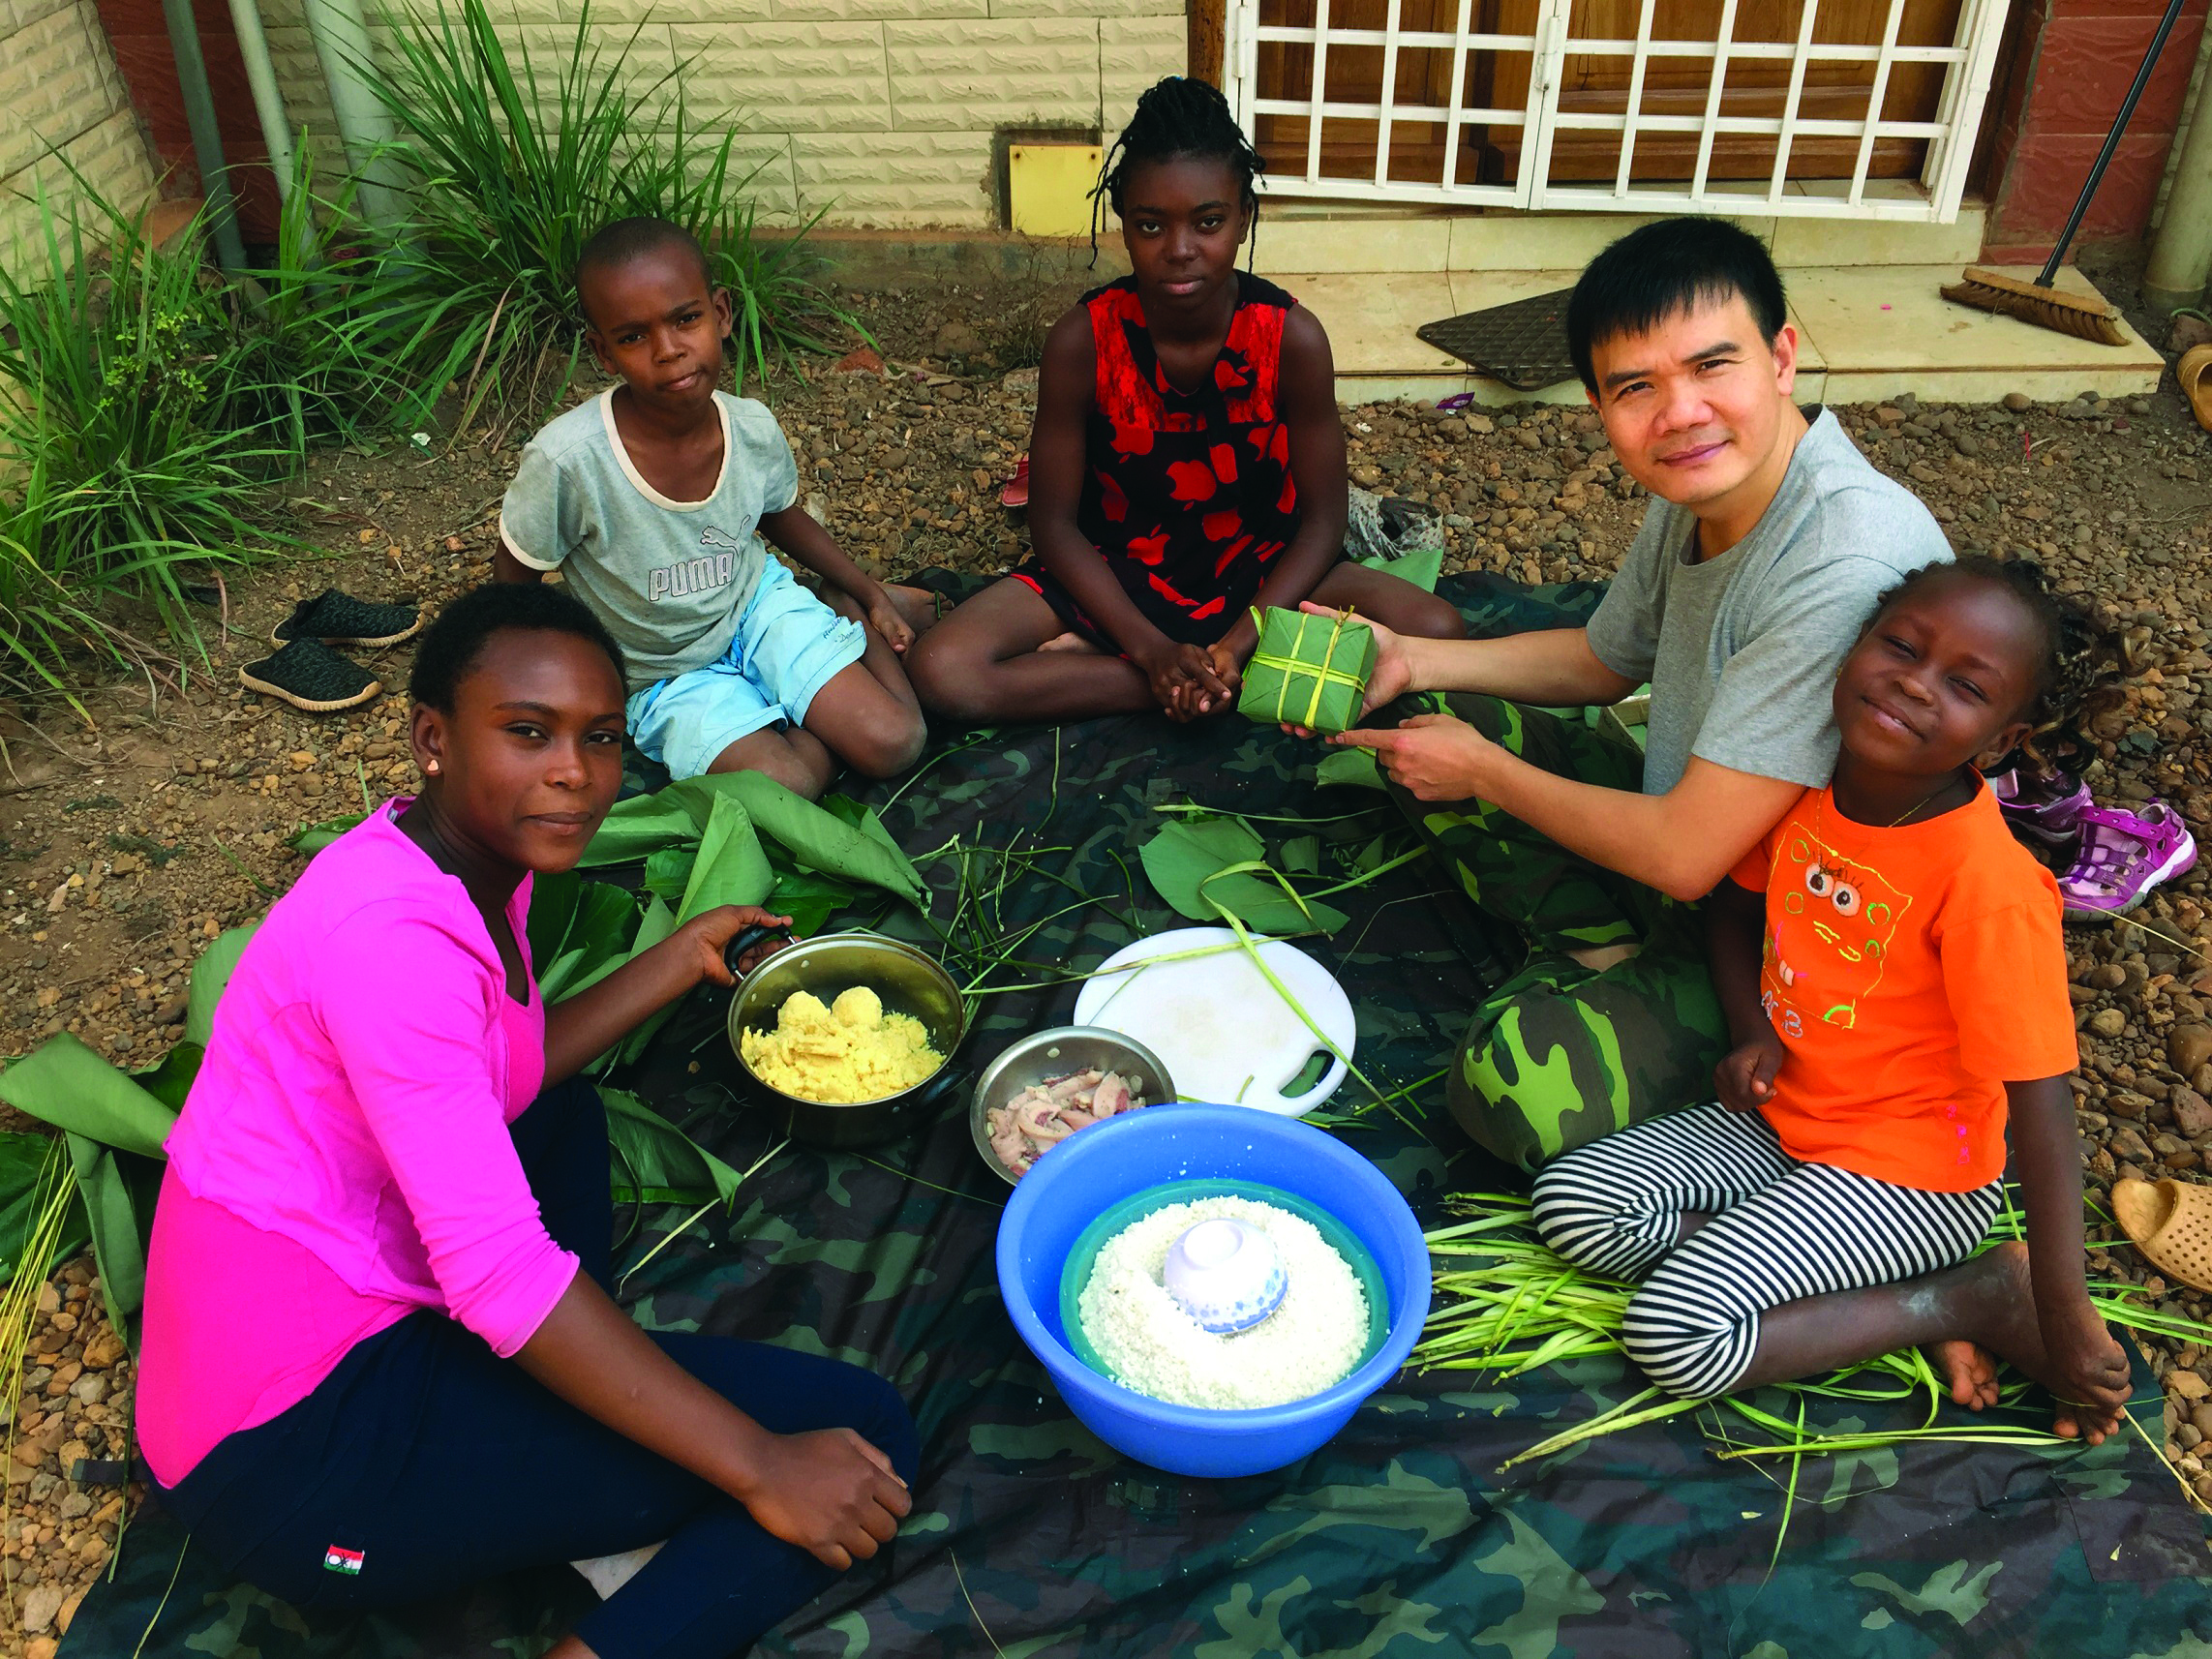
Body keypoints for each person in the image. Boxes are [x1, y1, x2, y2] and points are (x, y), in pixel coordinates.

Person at [136, 584, 919, 1659]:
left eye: (600, 738)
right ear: (431, 738)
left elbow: (500, 1071)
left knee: (561, 1113)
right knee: (853, 1440)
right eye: (527, 732)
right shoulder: (391, 944)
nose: (575, 773)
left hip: (301, 1320)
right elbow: (499, 1272)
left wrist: (682, 954)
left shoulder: (440, 854)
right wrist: (756, 1464)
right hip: (292, 1456)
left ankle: (564, 1419)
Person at [1319, 216, 1952, 1167]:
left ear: (1780, 357)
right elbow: (1604, 661)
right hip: (1689, 846)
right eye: (1636, 388)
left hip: (1792, 957)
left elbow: (1688, 858)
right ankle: (1610, 959)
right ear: (1597, 402)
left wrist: (1488, 773)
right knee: (1425, 718)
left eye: (1710, 368)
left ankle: (1667, 1024)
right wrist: (1413, 656)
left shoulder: (1841, 561)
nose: (1680, 413)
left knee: (1505, 1089)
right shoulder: (1702, 487)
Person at [1529, 557, 2132, 1442]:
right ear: (1852, 647)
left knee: (1673, 1335)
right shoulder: (1804, 788)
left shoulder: (1989, 887)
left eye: (1964, 686)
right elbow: (1731, 908)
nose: (1914, 685)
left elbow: (2041, 1106)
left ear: (1999, 740)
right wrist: (1750, 1030)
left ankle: (1969, 1296)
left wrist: (2062, 1309)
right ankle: (1852, 1281)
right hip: (1786, 1111)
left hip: (1911, 1173)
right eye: (1900, 646)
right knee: (1572, 1207)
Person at [907, 76, 1463, 726]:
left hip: (1260, 572)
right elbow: (1054, 525)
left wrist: (1239, 639)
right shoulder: (1082, 341)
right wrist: (1148, 650)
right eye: (1150, 225)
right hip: (1120, 572)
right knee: (943, 673)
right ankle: (1189, 681)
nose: (1179, 250)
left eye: (1207, 222)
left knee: (1436, 629)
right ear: (1122, 223)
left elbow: (1320, 523)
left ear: (1243, 218)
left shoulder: (1290, 339)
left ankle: (1179, 672)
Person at [496, 216, 928, 800]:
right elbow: (515, 580)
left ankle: (838, 610)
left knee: (894, 741)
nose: (669, 351)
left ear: (721, 314)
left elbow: (776, 514)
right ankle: (792, 702)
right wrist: (556, 689)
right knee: (787, 791)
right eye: (632, 337)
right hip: (661, 670)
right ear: (602, 352)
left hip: (754, 606)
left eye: (685, 319)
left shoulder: (749, 428)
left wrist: (869, 590)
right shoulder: (569, 462)